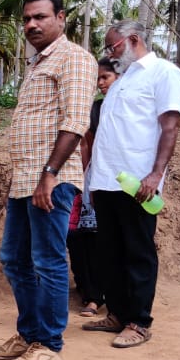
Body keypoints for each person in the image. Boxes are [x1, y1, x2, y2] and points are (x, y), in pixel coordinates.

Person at [0, 0, 97, 360]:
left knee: (48, 261)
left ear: (61, 18)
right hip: (26, 180)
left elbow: (75, 121)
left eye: (41, 17)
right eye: (27, 19)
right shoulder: (37, 63)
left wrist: (49, 176)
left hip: (52, 179)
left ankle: (48, 344)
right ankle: (30, 333)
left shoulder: (75, 59)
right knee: (14, 259)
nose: (32, 24)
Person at [84, 20, 180, 349]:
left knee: (138, 252)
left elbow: (169, 128)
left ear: (133, 40)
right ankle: (116, 312)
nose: (110, 54)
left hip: (138, 182)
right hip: (107, 180)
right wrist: (93, 182)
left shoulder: (164, 73)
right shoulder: (123, 80)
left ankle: (138, 321)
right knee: (108, 253)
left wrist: (156, 174)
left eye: (113, 47)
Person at [69, 58, 119, 318]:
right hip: (93, 180)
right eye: (97, 79)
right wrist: (86, 182)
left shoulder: (126, 107)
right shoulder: (96, 109)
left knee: (107, 241)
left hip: (121, 182)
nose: (100, 84)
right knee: (81, 238)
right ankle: (91, 296)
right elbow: (86, 144)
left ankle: (111, 296)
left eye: (105, 78)